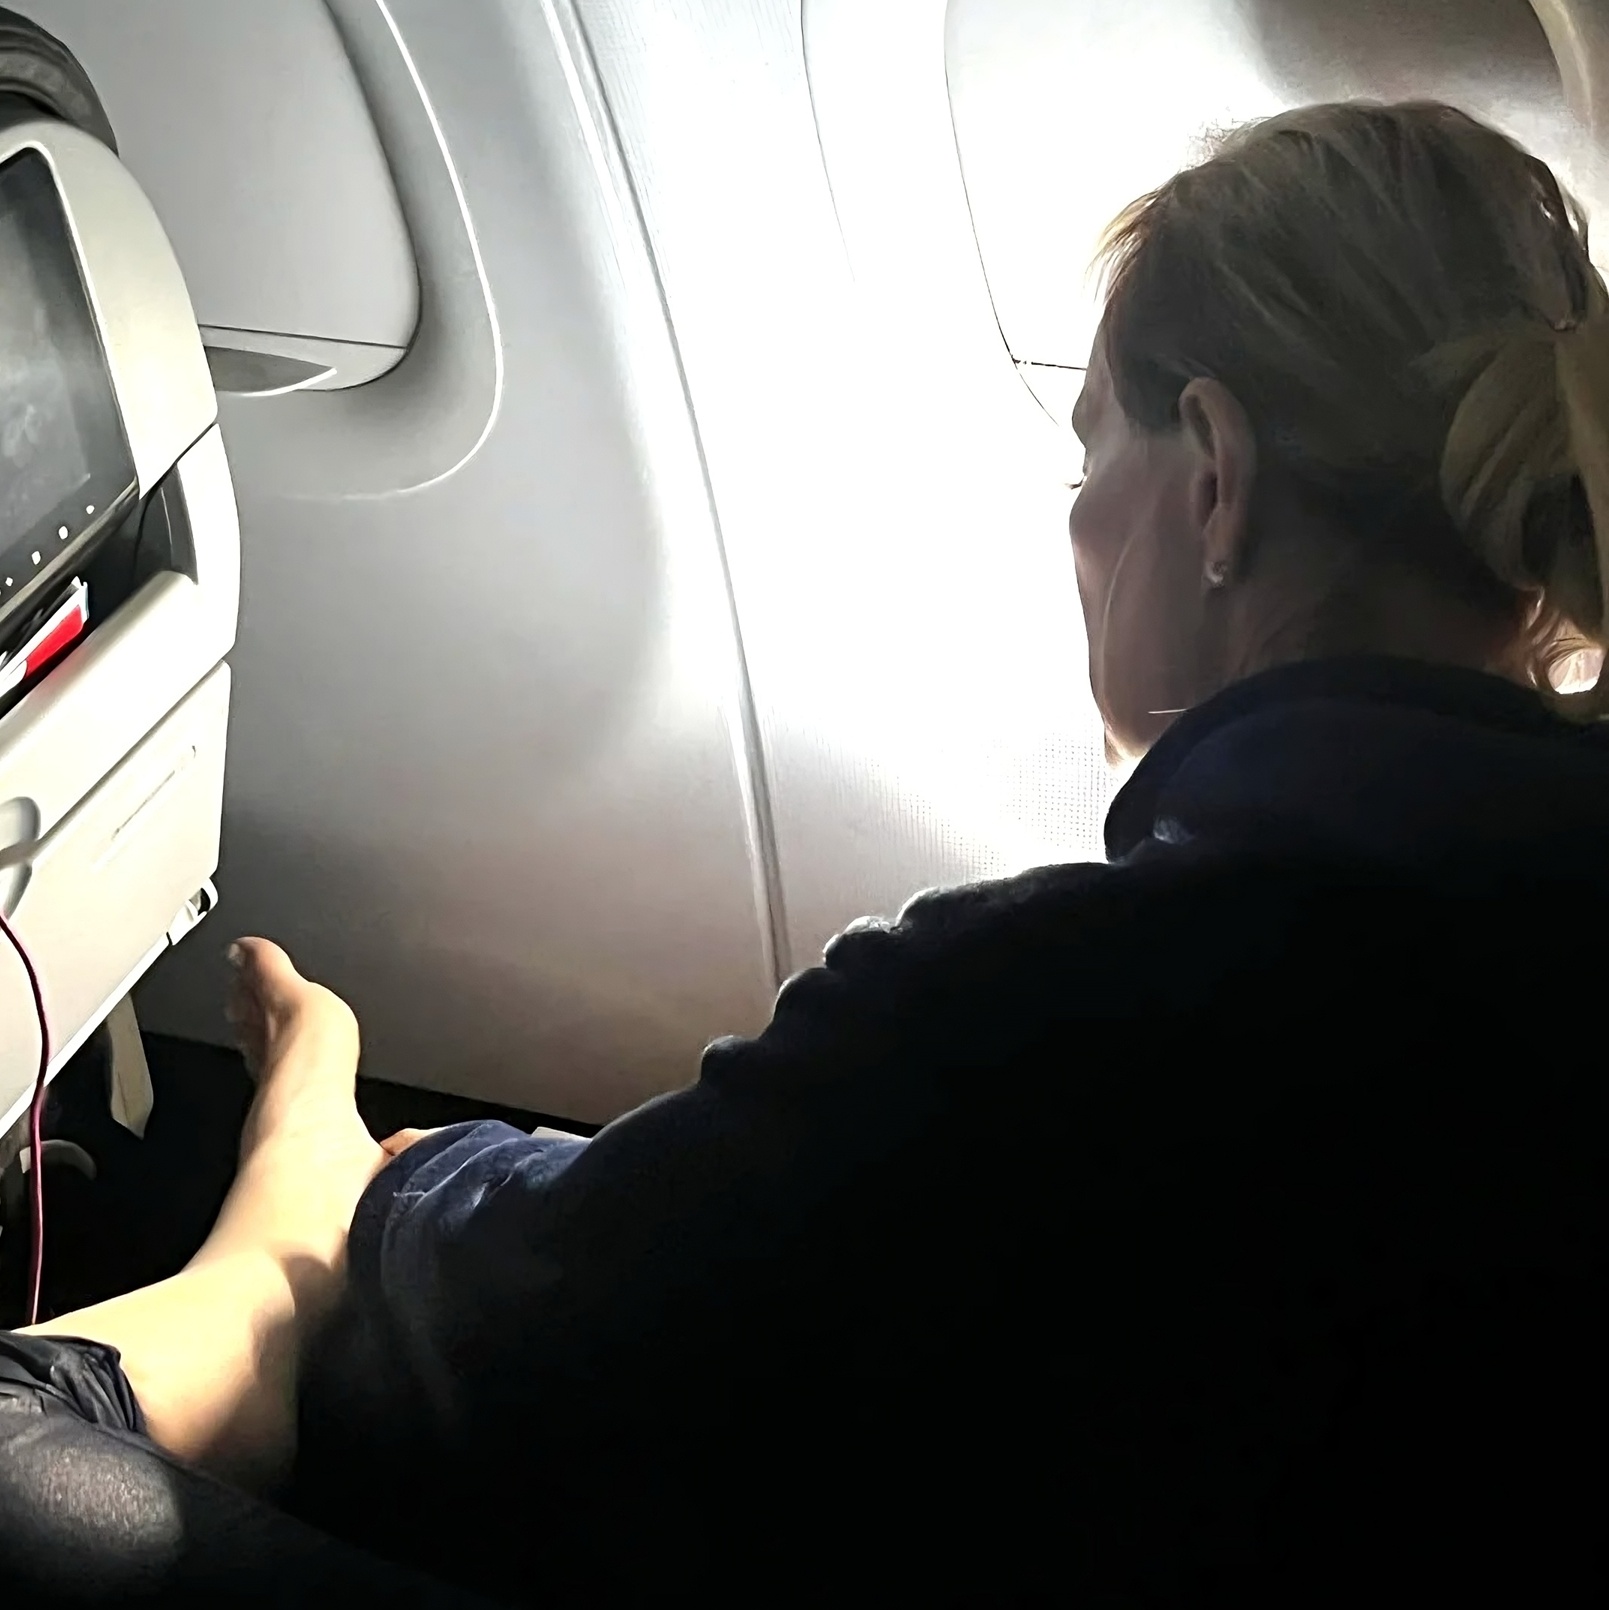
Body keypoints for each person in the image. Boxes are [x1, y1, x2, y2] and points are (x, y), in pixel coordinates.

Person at [2, 98, 1607, 1604]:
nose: (1073, 521)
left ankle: (282, 1220)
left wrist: (373, 1185)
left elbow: (566, 1315)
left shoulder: (1072, 998)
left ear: (1211, 475)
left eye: (1083, 456)